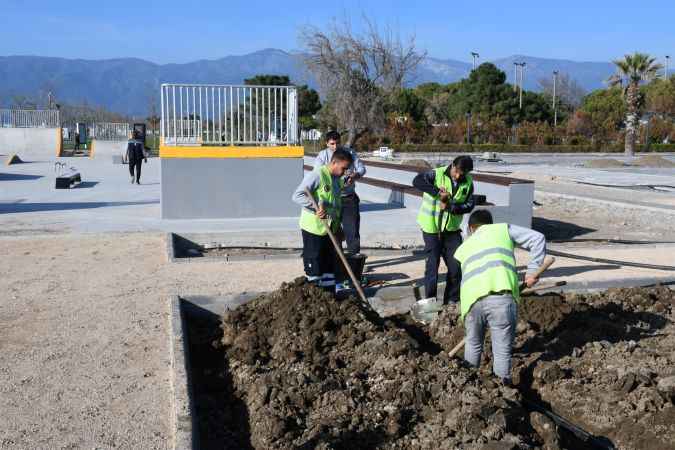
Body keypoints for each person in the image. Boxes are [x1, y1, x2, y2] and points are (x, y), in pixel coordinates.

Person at [454, 209, 546, 383]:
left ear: (471, 228)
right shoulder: (501, 229)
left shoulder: (464, 247)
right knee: (501, 349)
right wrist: (532, 271)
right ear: (490, 223)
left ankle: (466, 386)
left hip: (471, 302)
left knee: (473, 344)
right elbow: (537, 238)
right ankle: (502, 390)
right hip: (501, 299)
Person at [412, 155, 475, 307]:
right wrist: (437, 193)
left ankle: (451, 302)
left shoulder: (468, 182)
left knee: (456, 267)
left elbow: (469, 204)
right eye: (457, 171)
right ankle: (430, 303)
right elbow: (417, 181)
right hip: (432, 229)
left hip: (452, 230)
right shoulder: (436, 174)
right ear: (452, 165)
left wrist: (451, 207)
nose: (459, 175)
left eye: (463, 173)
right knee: (432, 268)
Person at [292, 149, 353, 291]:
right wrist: (316, 208)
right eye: (343, 168)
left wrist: (339, 227)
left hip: (330, 229)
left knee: (328, 266)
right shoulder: (317, 175)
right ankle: (315, 296)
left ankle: (330, 297)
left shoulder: (337, 180)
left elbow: (335, 205)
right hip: (314, 228)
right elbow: (297, 195)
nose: (344, 172)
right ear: (334, 162)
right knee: (315, 265)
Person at [314, 131, 366, 256]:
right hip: (331, 201)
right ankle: (337, 260)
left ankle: (354, 260)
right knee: (333, 232)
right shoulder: (322, 156)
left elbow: (361, 168)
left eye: (337, 143)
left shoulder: (350, 153)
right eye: (332, 144)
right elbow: (318, 174)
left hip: (348, 198)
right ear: (327, 143)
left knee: (351, 231)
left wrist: (355, 175)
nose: (335, 147)